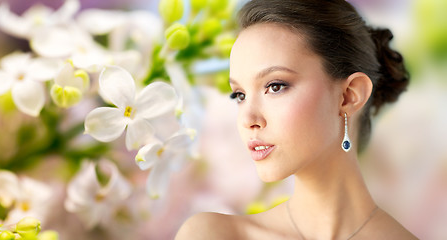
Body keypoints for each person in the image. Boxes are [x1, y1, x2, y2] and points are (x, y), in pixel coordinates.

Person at [176, 0, 418, 239]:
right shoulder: (213, 234)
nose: (248, 119)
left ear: (349, 96)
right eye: (240, 95)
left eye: (275, 86)